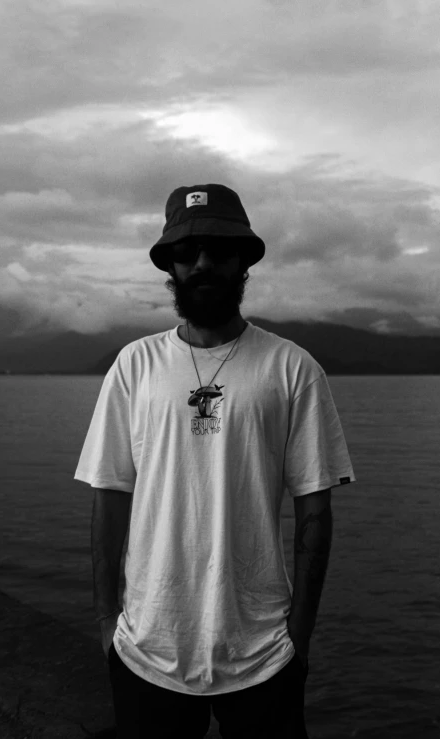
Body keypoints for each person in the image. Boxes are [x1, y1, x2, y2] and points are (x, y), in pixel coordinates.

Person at [74, 183, 356, 738]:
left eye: (220, 250)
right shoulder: (135, 366)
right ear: (171, 266)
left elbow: (315, 511)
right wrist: (107, 623)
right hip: (146, 649)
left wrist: (300, 636)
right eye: (187, 251)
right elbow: (109, 499)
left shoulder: (292, 369)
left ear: (244, 262)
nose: (203, 263)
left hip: (264, 652)